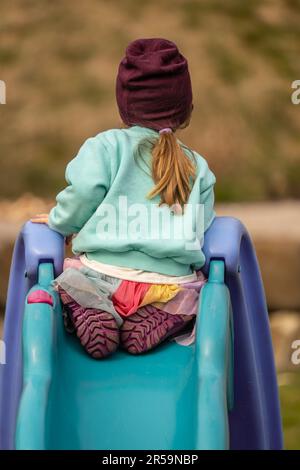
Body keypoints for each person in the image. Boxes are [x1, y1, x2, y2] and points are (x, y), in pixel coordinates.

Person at [32, 38, 216, 359]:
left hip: (103, 277)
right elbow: (201, 227)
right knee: (191, 296)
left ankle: (95, 310)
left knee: (71, 282)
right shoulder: (196, 165)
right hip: (168, 286)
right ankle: (167, 314)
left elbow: (83, 195)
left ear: (124, 105)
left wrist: (60, 222)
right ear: (188, 109)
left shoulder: (104, 147)